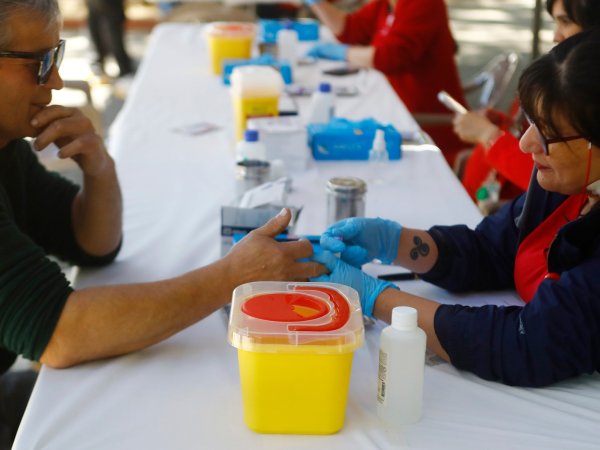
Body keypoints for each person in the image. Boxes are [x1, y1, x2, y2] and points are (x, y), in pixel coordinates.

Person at [0, 1, 324, 446]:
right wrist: (233, 276)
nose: (55, 80)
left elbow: (91, 243)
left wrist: (99, 167)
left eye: (55, 56)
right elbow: (61, 334)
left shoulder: (7, 146)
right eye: (38, 63)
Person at [312, 28, 600, 387]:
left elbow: (527, 344)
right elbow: (492, 249)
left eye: (546, 134)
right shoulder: (567, 183)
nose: (526, 145)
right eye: (528, 123)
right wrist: (396, 243)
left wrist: (378, 299)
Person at [452, 0, 600, 201]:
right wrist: (503, 123)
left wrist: (489, 135)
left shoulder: (576, 90)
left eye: (565, 22)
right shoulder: (557, 78)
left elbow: (552, 172)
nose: (556, 36)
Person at [304, 0, 466, 166]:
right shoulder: (387, 4)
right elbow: (350, 30)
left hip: (424, 125)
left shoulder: (425, 3)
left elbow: (390, 58)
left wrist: (344, 53)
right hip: (393, 108)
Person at [85, 0, 134, 78]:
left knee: (114, 41)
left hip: (111, 7)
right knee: (97, 38)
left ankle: (125, 71)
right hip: (94, 7)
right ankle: (100, 70)